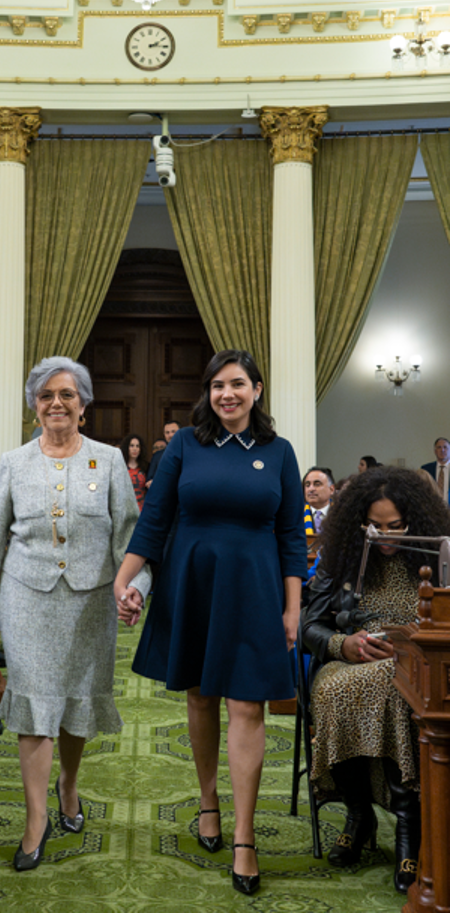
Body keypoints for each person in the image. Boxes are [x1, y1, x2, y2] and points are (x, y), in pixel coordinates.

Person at [115, 348, 307, 896]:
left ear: (257, 390)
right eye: (218, 385)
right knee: (199, 696)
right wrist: (123, 579)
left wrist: (292, 608)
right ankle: (207, 799)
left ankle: (244, 836)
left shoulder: (278, 452)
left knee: (247, 704)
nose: (227, 394)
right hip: (192, 581)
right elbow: (156, 519)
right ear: (208, 391)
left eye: (238, 384)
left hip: (256, 586)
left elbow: (292, 534)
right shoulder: (184, 445)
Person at [0, 356, 151, 873]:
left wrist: (133, 586)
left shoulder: (109, 460)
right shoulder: (14, 462)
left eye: (67, 395)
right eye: (46, 396)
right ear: (34, 406)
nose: (56, 404)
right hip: (27, 597)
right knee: (32, 704)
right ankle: (35, 819)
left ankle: (69, 784)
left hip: (91, 600)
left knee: (76, 702)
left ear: (84, 406)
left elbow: (129, 537)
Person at [302, 467, 449, 894]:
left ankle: (408, 826)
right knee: (332, 689)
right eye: (375, 526)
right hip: (350, 658)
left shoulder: (432, 555)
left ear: (414, 522)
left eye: (395, 526)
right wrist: (342, 645)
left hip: (418, 665)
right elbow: (311, 625)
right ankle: (358, 811)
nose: (384, 535)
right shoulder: (343, 553)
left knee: (397, 687)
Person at [145, 421, 180, 488]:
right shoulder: (157, 456)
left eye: (173, 431)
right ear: (164, 435)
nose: (170, 435)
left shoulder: (189, 453)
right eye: (167, 432)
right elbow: (149, 480)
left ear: (180, 433)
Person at [120, 433, 149, 509]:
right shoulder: (120, 466)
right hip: (125, 507)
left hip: (142, 507)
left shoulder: (146, 467)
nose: (135, 449)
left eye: (137, 446)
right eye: (132, 446)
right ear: (127, 448)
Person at [303, 467, 335, 534]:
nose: (311, 489)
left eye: (317, 484)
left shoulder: (341, 514)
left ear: (331, 489)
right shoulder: (296, 515)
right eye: (307, 485)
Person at [421, 437, 449, 501]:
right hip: (432, 508)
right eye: (439, 447)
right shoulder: (426, 469)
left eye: (445, 447)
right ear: (435, 451)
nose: (442, 450)